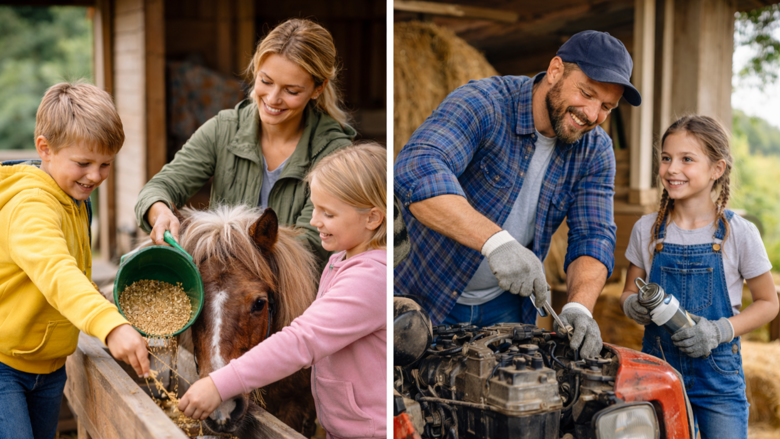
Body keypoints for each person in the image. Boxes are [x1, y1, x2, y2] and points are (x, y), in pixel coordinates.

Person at [394, 30, 642, 358]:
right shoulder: (484, 102)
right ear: (555, 70)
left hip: (505, 309)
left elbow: (593, 235)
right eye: (586, 93)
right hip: (422, 296)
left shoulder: (596, 151)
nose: (593, 115)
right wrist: (496, 242)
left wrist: (580, 307)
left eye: (607, 107)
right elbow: (416, 168)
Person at [177, 144, 387, 438]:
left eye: (327, 213)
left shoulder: (371, 277)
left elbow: (303, 340)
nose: (314, 222)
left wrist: (220, 383)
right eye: (315, 208)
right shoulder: (343, 260)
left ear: (372, 218)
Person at [135, 18, 356, 269]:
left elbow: (310, 246)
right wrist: (160, 211)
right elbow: (158, 188)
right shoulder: (223, 130)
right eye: (266, 81)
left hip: (294, 291)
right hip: (221, 281)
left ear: (318, 89)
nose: (273, 99)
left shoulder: (334, 152)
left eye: (291, 91)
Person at [0, 82, 150, 439]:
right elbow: (57, 271)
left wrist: (106, 302)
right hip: (5, 365)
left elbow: (77, 274)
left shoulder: (75, 199)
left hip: (50, 369)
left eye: (106, 164)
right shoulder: (31, 205)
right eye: (83, 163)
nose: (95, 176)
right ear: (45, 149)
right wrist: (110, 326)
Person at [620, 115, 778, 439]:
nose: (671, 169)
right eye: (666, 158)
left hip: (717, 380)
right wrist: (629, 305)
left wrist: (721, 330)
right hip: (658, 371)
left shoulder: (738, 233)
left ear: (716, 169)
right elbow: (626, 292)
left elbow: (768, 303)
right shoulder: (646, 230)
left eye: (686, 159)